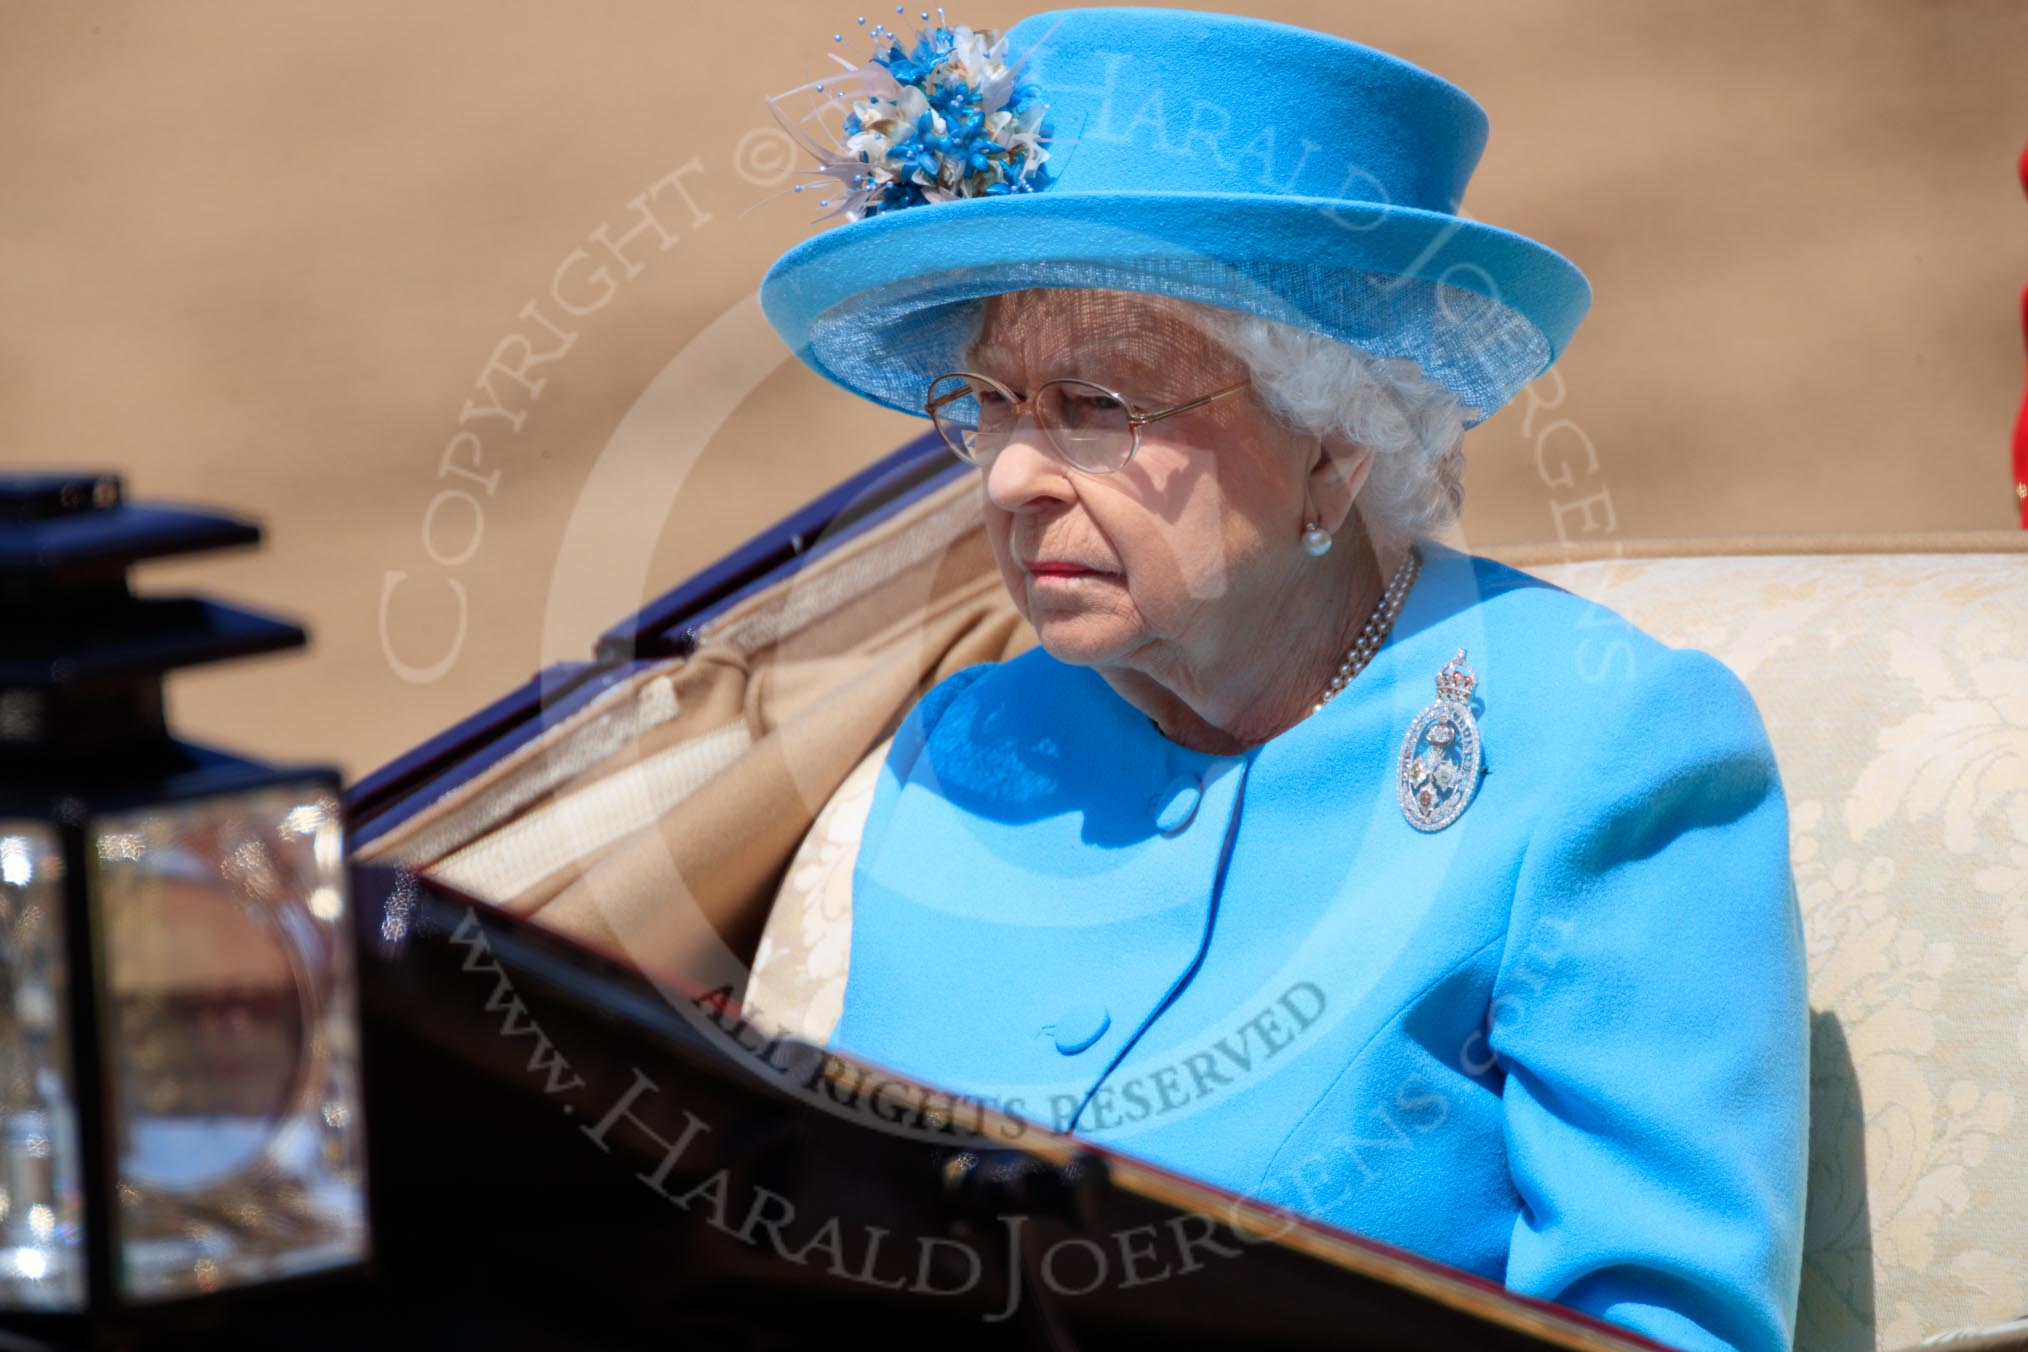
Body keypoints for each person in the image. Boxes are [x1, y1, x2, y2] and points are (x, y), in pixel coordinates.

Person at [755, 9, 1808, 1351]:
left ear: (1334, 449)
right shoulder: (973, 742)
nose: (1015, 477)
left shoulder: (1606, 747)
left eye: (1097, 406)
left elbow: (1666, 1334)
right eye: (990, 404)